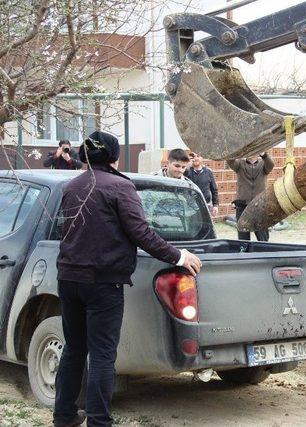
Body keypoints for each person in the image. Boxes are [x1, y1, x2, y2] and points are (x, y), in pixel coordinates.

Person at [54, 131, 202, 427]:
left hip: (69, 278)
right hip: (103, 282)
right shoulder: (120, 187)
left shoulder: (72, 186)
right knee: (102, 355)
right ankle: (98, 422)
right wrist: (179, 256)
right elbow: (141, 233)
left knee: (73, 348)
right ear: (114, 156)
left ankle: (64, 416)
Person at [226, 152, 274, 241]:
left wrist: (264, 155)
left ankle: (263, 252)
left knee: (262, 236)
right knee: (243, 236)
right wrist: (232, 151)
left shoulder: (263, 165)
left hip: (259, 204)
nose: (251, 153)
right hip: (242, 205)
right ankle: (244, 253)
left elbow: (271, 165)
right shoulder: (240, 164)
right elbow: (231, 162)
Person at [184, 152, 219, 217]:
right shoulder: (187, 172)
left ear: (202, 158)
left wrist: (215, 205)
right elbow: (181, 179)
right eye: (194, 157)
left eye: (198, 156)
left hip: (206, 205)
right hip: (190, 207)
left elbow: (214, 190)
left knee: (205, 226)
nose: (196, 158)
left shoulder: (208, 172)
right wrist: (187, 165)